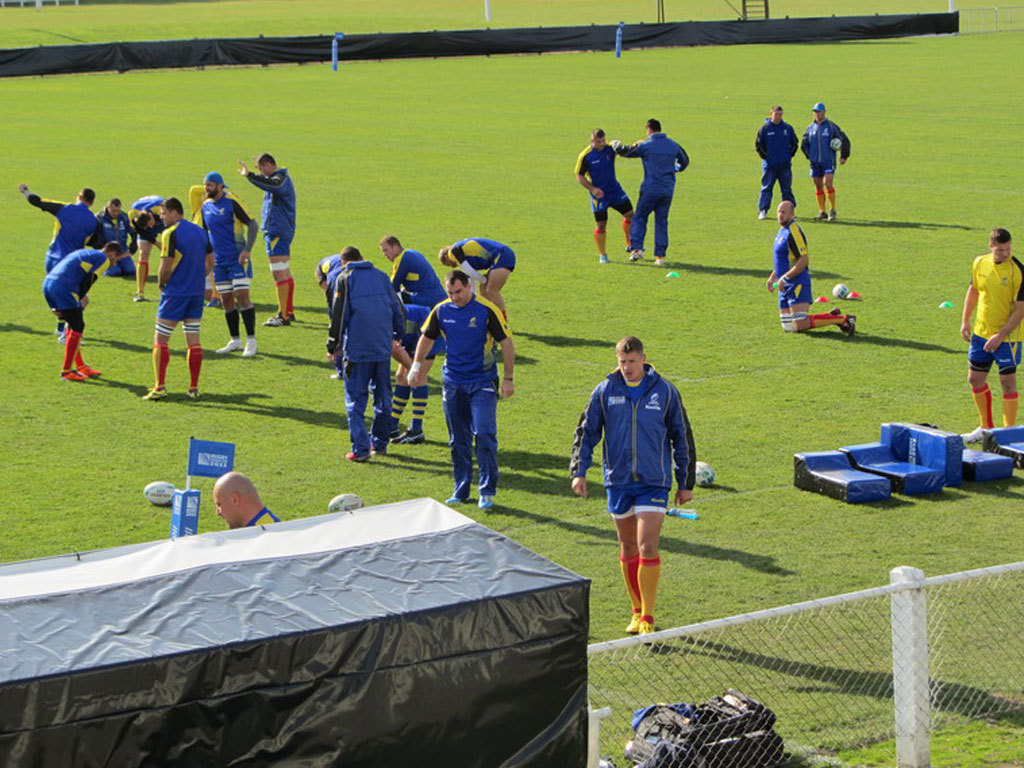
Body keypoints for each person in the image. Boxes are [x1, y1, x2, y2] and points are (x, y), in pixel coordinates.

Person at [570, 336, 696, 636]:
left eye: (632, 362)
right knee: (627, 547)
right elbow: (586, 432)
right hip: (618, 480)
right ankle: (636, 610)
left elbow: (682, 435)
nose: (627, 368)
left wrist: (685, 481)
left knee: (647, 545)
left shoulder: (664, 392)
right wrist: (579, 472)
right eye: (622, 362)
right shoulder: (605, 392)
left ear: (643, 360)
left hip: (654, 481)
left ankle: (649, 619)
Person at [410, 270, 515, 510]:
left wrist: (508, 378)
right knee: (458, 439)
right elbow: (426, 337)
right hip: (453, 382)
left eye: (458, 292)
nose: (455, 297)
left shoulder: (487, 310)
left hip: (482, 382)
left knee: (485, 434)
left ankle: (486, 491)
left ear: (469, 286)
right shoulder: (441, 310)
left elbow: (507, 344)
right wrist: (416, 366)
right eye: (450, 292)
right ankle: (461, 489)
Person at [326, 246, 408, 462]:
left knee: (355, 401)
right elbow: (398, 307)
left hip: (358, 351)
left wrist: (332, 344)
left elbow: (339, 314)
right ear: (361, 258)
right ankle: (379, 443)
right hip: (381, 349)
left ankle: (361, 450)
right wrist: (398, 333)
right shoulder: (381, 276)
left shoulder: (344, 278)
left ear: (344, 262)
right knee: (383, 398)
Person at [142, 197, 215, 401]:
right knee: (193, 340)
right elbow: (211, 261)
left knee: (161, 340)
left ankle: (160, 386)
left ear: (175, 213)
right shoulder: (200, 231)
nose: (161, 218)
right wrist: (197, 276)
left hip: (175, 293)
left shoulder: (170, 234)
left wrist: (161, 284)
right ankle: (193, 388)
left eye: (164, 214)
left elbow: (166, 265)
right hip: (196, 293)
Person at [960, 228, 1024, 442]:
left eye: (1008, 249)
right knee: (975, 379)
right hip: (981, 333)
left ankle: (1008, 435)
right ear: (991, 247)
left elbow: (1020, 310)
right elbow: (974, 291)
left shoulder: (1018, 271)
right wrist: (965, 321)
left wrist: (1000, 335)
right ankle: (986, 428)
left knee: (1007, 383)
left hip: (1008, 337)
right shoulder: (980, 263)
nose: (1005, 254)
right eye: (1000, 250)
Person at [19, 183, 104, 341]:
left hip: (51, 258)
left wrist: (25, 191)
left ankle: (61, 329)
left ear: (79, 197)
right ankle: (67, 333)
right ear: (92, 202)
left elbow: (37, 201)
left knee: (61, 297)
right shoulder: (94, 221)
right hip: (70, 264)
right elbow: (95, 244)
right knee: (79, 300)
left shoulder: (64, 208)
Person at [766, 201, 855, 335]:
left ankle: (843, 320)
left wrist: (785, 277)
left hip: (797, 282)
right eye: (778, 212)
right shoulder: (781, 231)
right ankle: (830, 315)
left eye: (784, 212)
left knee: (800, 324)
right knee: (789, 327)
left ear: (792, 214)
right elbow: (785, 259)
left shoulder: (793, 231)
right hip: (783, 284)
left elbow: (804, 260)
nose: (780, 215)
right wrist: (773, 276)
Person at [41, 242, 127, 381]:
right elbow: (89, 280)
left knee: (74, 323)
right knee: (78, 326)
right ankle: (67, 371)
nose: (115, 264)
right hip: (64, 288)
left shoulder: (86, 253)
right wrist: (78, 297)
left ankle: (80, 366)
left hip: (49, 284)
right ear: (111, 254)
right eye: (117, 259)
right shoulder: (103, 259)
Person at [613, 118, 689, 267]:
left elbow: (627, 152)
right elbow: (685, 162)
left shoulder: (647, 146)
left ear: (648, 129)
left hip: (650, 189)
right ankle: (660, 257)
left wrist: (617, 146)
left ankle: (637, 249)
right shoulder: (673, 145)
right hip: (667, 189)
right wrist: (674, 168)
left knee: (640, 217)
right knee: (661, 221)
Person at [200, 171, 260, 357]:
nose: (206, 188)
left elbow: (253, 224)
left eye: (210, 185)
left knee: (242, 296)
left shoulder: (232, 201)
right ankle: (235, 340)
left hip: (236, 258)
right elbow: (204, 233)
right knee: (226, 300)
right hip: (218, 262)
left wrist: (247, 249)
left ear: (220, 186)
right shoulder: (205, 206)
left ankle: (251, 340)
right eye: (205, 185)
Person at [238, 153, 297, 327]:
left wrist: (249, 175)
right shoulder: (280, 178)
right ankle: (288, 311)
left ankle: (283, 316)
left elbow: (272, 185)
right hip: (280, 230)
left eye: (261, 168)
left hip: (277, 231)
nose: (262, 173)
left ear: (269, 165)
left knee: (278, 272)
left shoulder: (280, 179)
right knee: (284, 270)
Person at [575, 128, 634, 264]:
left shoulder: (610, 149)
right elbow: (579, 176)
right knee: (601, 225)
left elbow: (626, 151)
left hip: (615, 191)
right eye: (599, 141)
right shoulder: (585, 155)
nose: (602, 143)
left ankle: (629, 243)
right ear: (593, 140)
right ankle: (603, 255)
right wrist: (592, 189)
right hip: (599, 196)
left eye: (603, 140)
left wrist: (637, 145)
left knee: (631, 215)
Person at [391, 302, 446, 445]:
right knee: (401, 377)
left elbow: (395, 349)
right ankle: (392, 425)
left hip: (426, 335)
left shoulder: (384, 322)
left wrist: (412, 369)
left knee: (419, 376)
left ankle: (416, 430)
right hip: (410, 335)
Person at [438, 237, 516, 319]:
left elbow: (470, 272)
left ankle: (503, 320)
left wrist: (484, 280)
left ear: (447, 257)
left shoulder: (453, 252)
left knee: (492, 290)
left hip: (502, 256)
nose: (452, 266)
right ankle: (486, 317)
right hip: (501, 256)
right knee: (483, 288)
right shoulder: (466, 255)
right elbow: (471, 278)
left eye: (449, 264)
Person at [800, 102, 850, 221]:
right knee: (818, 186)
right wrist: (810, 155)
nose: (817, 114)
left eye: (820, 111)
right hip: (815, 162)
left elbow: (843, 140)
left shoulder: (831, 127)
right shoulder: (810, 128)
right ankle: (822, 211)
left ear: (824, 112)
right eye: (815, 111)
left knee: (828, 183)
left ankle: (832, 210)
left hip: (828, 161)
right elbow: (804, 144)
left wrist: (844, 155)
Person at [754, 105, 798, 220]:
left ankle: (790, 212)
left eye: (780, 114)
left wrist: (788, 156)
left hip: (784, 166)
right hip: (770, 167)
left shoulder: (787, 128)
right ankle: (763, 210)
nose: (778, 116)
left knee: (787, 189)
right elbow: (759, 145)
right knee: (766, 188)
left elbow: (794, 143)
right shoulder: (765, 129)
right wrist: (766, 157)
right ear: (771, 114)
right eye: (776, 114)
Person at [379, 235, 447, 308]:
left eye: (386, 250)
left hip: (426, 300)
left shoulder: (402, 259)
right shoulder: (412, 253)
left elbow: (393, 286)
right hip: (442, 297)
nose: (384, 254)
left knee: (391, 299)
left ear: (395, 247)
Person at [127, 195, 167, 301]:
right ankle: (140, 291)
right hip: (144, 229)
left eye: (150, 223)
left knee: (169, 254)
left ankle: (167, 290)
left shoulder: (161, 209)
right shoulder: (132, 215)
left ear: (150, 216)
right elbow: (142, 232)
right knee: (143, 254)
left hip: (163, 223)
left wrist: (163, 244)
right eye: (148, 226)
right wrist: (156, 243)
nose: (151, 226)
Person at [212, 471, 280, 529]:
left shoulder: (267, 535)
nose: (218, 512)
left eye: (219, 504)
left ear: (234, 500)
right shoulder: (265, 529)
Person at [315, 252, 345, 379]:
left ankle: (342, 366)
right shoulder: (332, 282)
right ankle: (340, 369)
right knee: (338, 325)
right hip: (327, 270)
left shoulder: (338, 280)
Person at [96, 198, 138, 277]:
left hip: (122, 251)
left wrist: (133, 244)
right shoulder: (100, 218)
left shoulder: (124, 217)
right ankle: (101, 267)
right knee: (114, 273)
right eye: (113, 211)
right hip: (108, 253)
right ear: (108, 207)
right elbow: (95, 237)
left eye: (118, 211)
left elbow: (132, 231)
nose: (116, 213)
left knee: (130, 271)